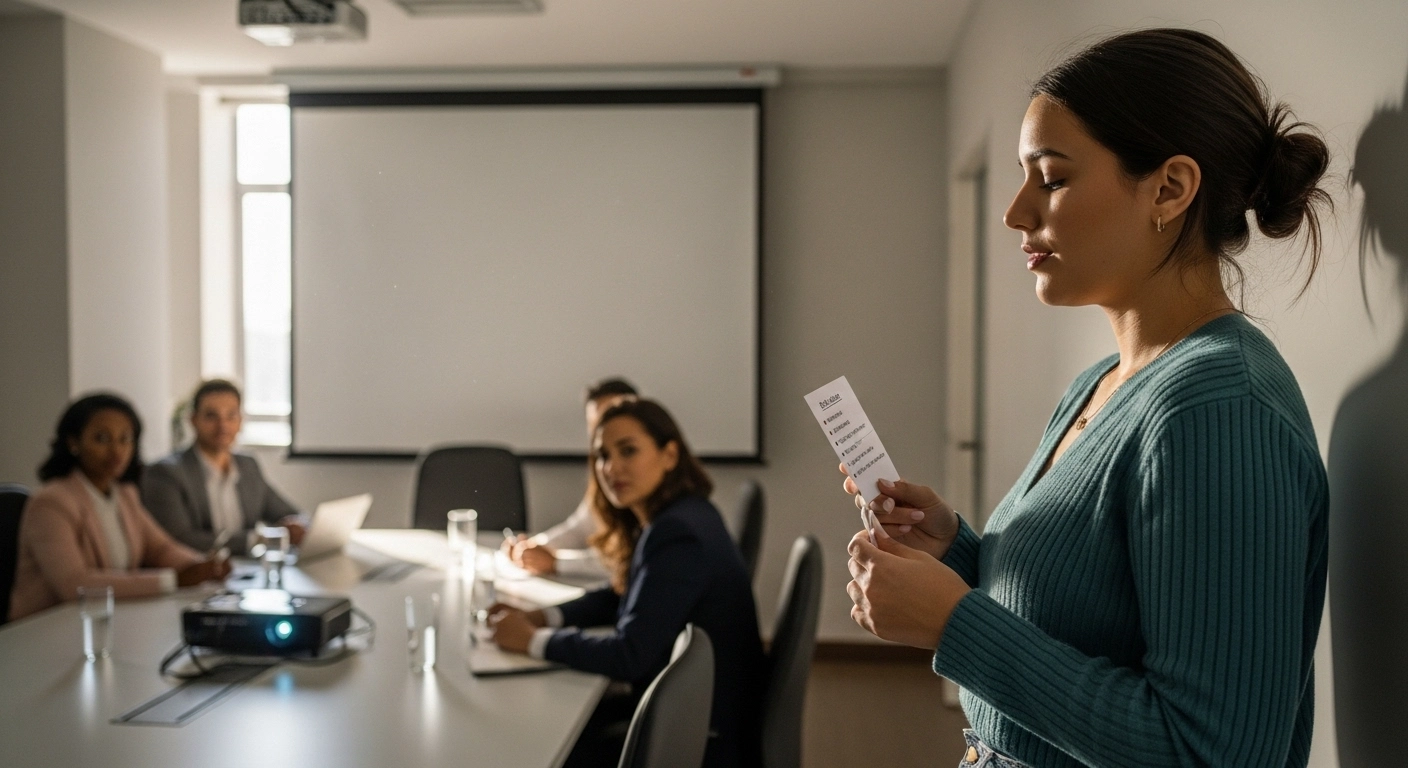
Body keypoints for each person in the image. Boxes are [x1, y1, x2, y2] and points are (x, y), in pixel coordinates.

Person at [842, 29, 1331, 768]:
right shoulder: (1102, 383)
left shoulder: (1218, 409)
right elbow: (1086, 612)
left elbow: (1212, 754)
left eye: (1052, 178)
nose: (1014, 212)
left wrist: (954, 624)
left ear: (1169, 188)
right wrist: (956, 550)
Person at [489, 398, 764, 768]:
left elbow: (630, 655)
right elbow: (622, 594)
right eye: (602, 455)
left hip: (703, 737)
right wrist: (544, 617)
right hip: (699, 710)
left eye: (628, 451)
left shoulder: (677, 533)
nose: (611, 467)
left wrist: (531, 641)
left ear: (669, 454)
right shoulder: (685, 512)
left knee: (536, 739)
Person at [9, 394, 232, 621]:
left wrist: (202, 566)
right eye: (102, 438)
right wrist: (173, 580)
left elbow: (160, 548)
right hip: (44, 628)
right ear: (73, 442)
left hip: (106, 619)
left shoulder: (125, 495)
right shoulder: (52, 503)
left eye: (125, 438)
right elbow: (73, 585)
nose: (117, 450)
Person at [141, 379, 304, 556]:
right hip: (198, 573)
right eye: (211, 416)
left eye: (231, 415)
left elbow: (288, 513)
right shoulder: (166, 473)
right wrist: (256, 539)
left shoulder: (248, 466)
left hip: (248, 572)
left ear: (240, 421)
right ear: (193, 420)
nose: (223, 425)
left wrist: (297, 526)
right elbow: (179, 539)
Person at [504, 378, 637, 577]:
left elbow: (628, 559)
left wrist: (557, 563)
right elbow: (580, 528)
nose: (604, 434)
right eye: (596, 426)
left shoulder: (644, 480)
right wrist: (533, 547)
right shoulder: (603, 470)